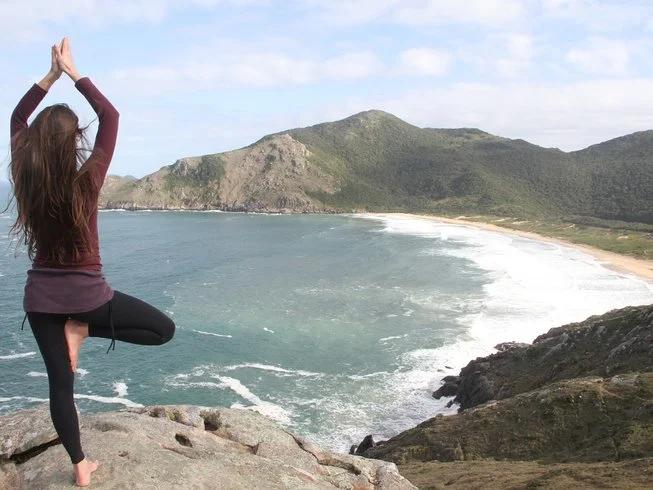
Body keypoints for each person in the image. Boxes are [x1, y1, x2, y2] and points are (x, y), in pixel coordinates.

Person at [8, 38, 175, 487]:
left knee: (60, 387)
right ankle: (83, 328)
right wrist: (73, 73)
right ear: (75, 142)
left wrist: (49, 77)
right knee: (163, 330)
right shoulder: (88, 182)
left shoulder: (26, 180)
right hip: (89, 298)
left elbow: (17, 119)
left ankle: (80, 468)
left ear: (35, 143)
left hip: (40, 302)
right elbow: (111, 117)